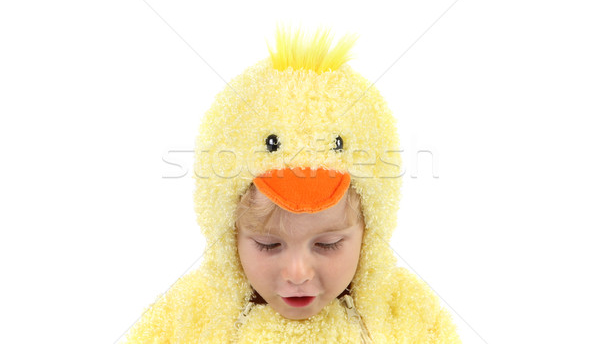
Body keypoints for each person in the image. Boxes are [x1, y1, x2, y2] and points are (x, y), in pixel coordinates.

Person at [123, 26, 461, 343]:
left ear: (369, 234)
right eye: (268, 245)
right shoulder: (190, 323)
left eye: (328, 244)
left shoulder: (406, 322)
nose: (297, 273)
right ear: (229, 236)